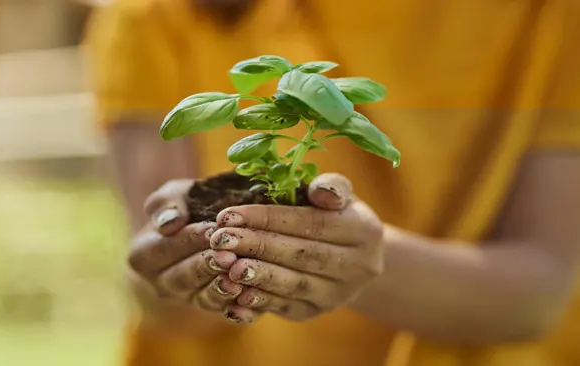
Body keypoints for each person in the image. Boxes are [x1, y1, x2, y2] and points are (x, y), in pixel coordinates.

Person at [83, 0, 580, 365]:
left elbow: (539, 298)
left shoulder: (549, 15)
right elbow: (162, 296)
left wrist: (362, 256)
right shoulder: (152, 14)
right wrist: (179, 259)